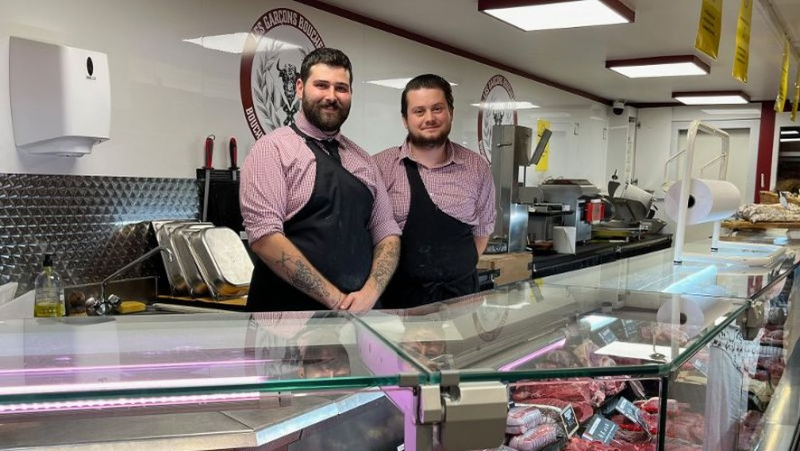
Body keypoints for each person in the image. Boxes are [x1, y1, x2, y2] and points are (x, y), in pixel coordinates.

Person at [240, 48, 400, 312]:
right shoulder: (272, 150)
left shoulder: (363, 160)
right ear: (300, 88)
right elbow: (264, 237)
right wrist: (336, 301)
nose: (331, 96)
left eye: (341, 88)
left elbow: (387, 232)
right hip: (286, 320)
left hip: (356, 320)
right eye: (321, 85)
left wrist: (370, 294)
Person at [373, 74, 496, 309]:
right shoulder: (380, 166)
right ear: (405, 119)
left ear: (451, 112)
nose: (429, 118)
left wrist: (453, 271)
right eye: (419, 111)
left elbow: (482, 231)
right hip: (399, 305)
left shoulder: (476, 167)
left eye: (437, 108)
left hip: (459, 302)